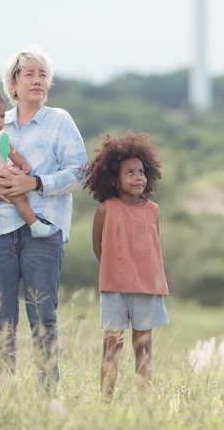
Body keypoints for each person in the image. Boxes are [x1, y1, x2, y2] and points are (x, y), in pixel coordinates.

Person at [0, 48, 86, 385]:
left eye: (43, 75)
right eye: (30, 74)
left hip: (43, 229)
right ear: (13, 84)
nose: (39, 81)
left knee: (43, 317)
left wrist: (36, 182)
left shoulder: (60, 121)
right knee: (0, 318)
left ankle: (46, 399)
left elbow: (80, 172)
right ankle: (2, 394)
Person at [83, 132, 169, 398]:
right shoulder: (105, 210)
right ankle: (106, 399)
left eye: (141, 172)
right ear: (113, 179)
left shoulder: (152, 210)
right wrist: (117, 269)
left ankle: (142, 398)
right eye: (129, 172)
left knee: (143, 346)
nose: (138, 177)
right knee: (112, 345)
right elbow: (99, 247)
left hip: (146, 288)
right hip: (114, 289)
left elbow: (151, 248)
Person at [0, 88, 58, 238]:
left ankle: (33, 225)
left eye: (2, 116)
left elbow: (10, 151)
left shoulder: (1, 136)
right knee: (19, 197)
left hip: (1, 174)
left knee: (21, 196)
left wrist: (23, 164)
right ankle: (35, 225)